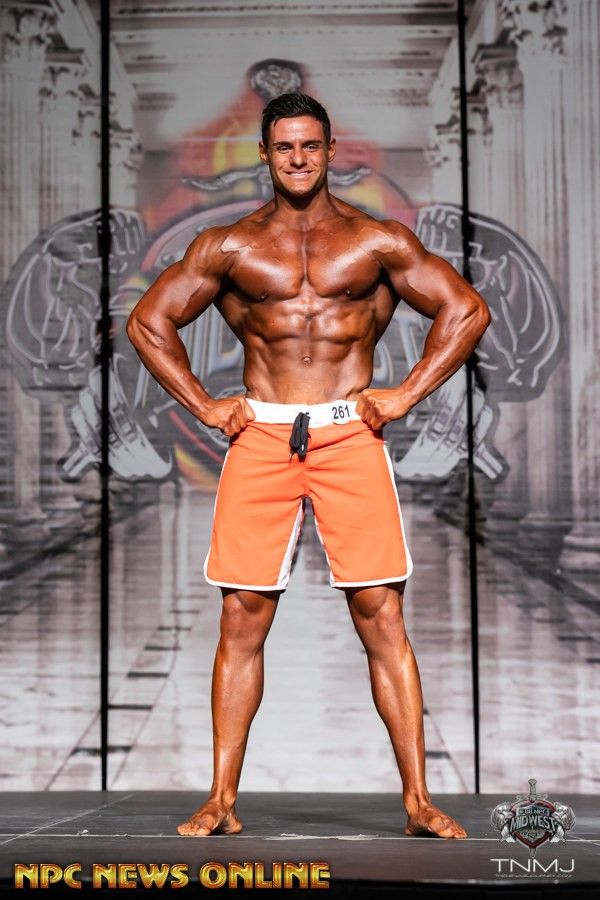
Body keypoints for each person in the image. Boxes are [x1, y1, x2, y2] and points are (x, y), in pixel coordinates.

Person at [127, 92, 491, 840]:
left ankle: (418, 802)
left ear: (330, 152)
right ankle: (221, 800)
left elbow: (467, 310)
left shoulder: (377, 241)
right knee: (241, 615)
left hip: (347, 436)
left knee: (381, 613)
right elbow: (147, 321)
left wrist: (404, 395)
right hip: (262, 436)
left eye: (310, 145)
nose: (298, 158)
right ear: (264, 154)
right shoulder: (228, 247)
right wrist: (203, 405)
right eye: (284, 146)